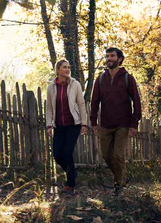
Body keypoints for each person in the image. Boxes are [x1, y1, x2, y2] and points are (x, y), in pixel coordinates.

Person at [90, 47, 141, 195]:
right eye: (107, 56)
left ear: (119, 59)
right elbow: (94, 101)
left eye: (112, 56)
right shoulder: (100, 79)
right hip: (105, 124)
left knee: (118, 155)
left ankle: (119, 185)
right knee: (106, 155)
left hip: (123, 124)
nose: (109, 59)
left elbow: (136, 102)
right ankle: (122, 177)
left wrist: (134, 123)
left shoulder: (127, 78)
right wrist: (93, 122)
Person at [46, 58, 88, 195]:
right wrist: (49, 125)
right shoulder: (51, 87)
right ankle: (73, 173)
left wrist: (84, 123)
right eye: (64, 67)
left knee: (67, 152)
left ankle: (70, 184)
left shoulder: (75, 84)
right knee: (57, 154)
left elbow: (81, 104)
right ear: (58, 70)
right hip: (59, 126)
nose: (67, 69)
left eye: (68, 67)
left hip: (73, 124)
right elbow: (49, 108)